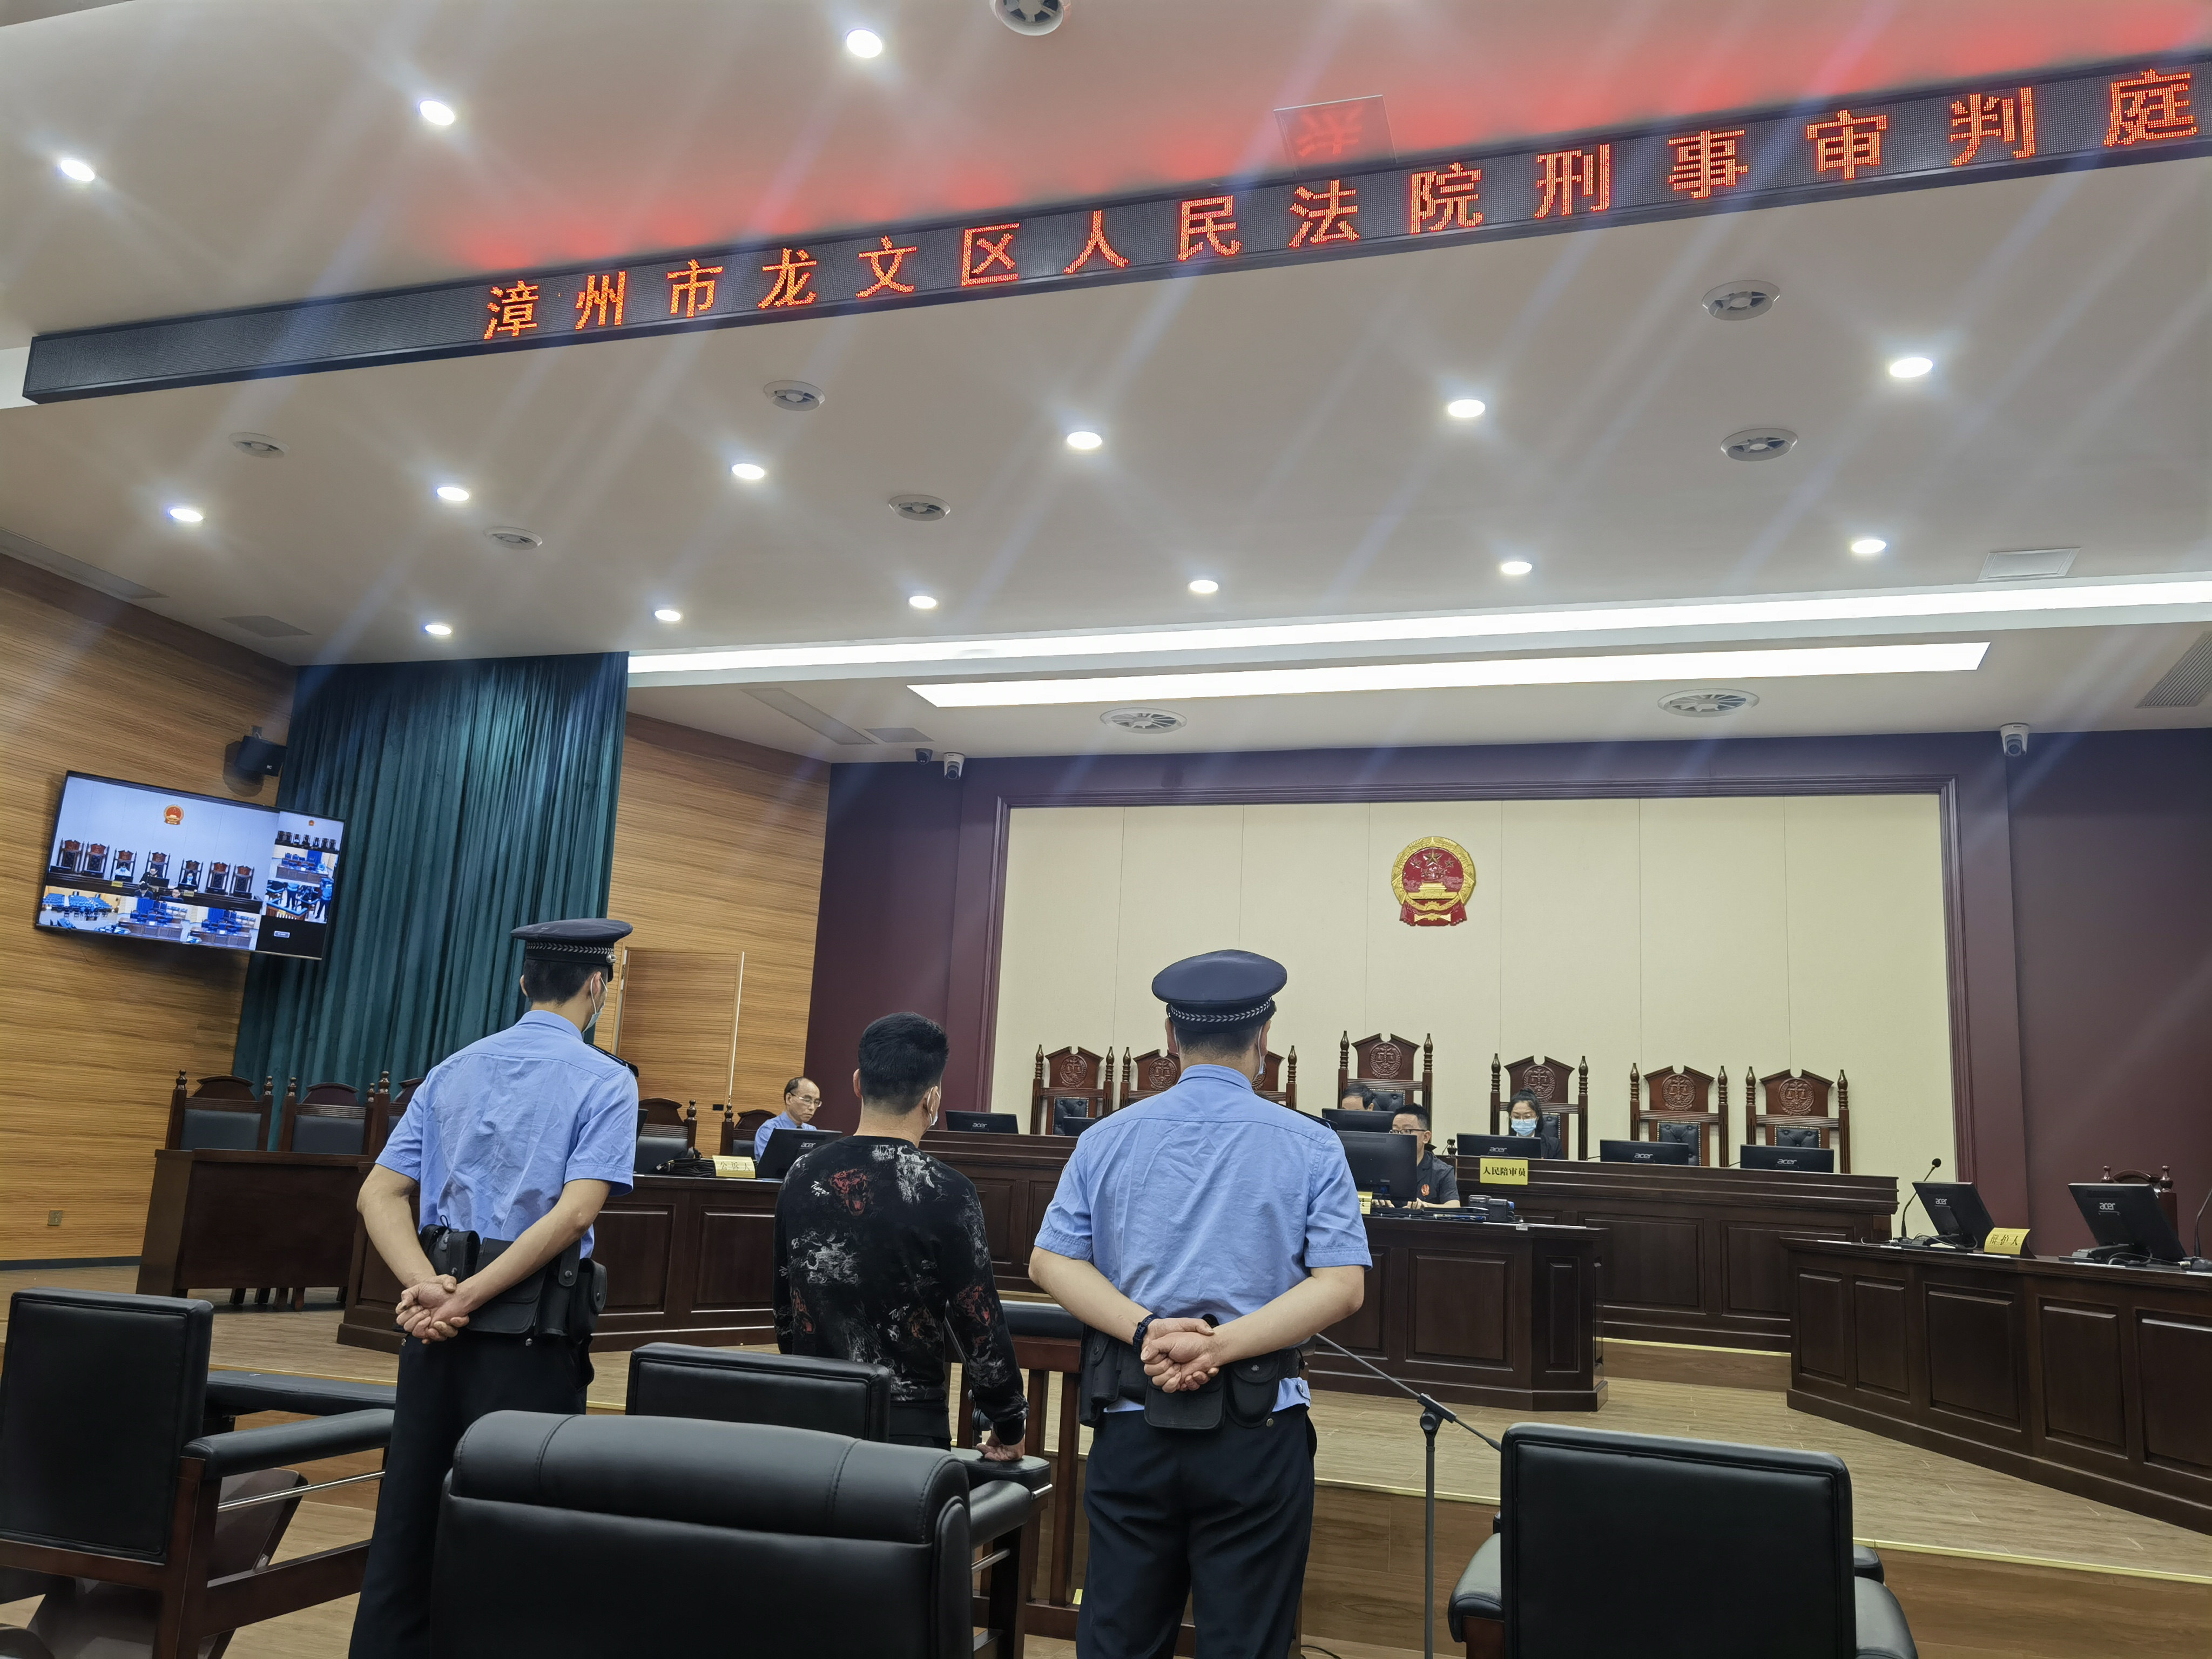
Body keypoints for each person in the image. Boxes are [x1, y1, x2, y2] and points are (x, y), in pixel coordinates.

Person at [1029, 950, 1370, 1659]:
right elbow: (1342, 1285)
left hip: (1132, 1417)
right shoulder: (1313, 1145)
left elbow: (1049, 1261)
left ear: (1168, 1036)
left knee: (1119, 1640)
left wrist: (1147, 1331)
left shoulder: (1104, 1138)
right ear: (1265, 1037)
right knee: (1246, 1643)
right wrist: (1217, 1347)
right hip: (1257, 1428)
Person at [348, 918, 639, 1659]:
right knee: (521, 1527)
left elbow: (378, 1194)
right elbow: (574, 1215)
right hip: (530, 1335)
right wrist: (466, 1298)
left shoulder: (452, 1069)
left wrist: (428, 1290)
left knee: (407, 1523)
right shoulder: (606, 1080)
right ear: (596, 987)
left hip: (434, 1330)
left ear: (522, 982)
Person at [773, 1012, 1027, 1455]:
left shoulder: (801, 1174)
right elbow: (978, 1319)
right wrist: (1008, 1422)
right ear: (932, 1098)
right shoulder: (947, 1190)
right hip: (907, 1423)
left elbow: (784, 1303)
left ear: (858, 1083)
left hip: (811, 1412)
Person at [1391, 1105, 1459, 1205]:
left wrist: (1424, 1206)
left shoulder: (1442, 1172)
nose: (1399, 1137)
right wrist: (1372, 1201)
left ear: (1426, 1137)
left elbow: (1454, 1206)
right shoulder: (1382, 1165)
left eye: (1407, 1131)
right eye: (1395, 1131)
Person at [753, 1073, 824, 1157]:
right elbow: (770, 1163)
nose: (812, 1107)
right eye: (807, 1100)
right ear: (789, 1099)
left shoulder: (812, 1131)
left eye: (816, 1102)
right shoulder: (769, 1130)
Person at [1508, 1088, 1563, 1158]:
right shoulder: (1503, 1144)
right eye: (1516, 1117)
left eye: (1527, 1117)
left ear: (1537, 1117)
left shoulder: (1553, 1146)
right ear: (1511, 1117)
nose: (1522, 1121)